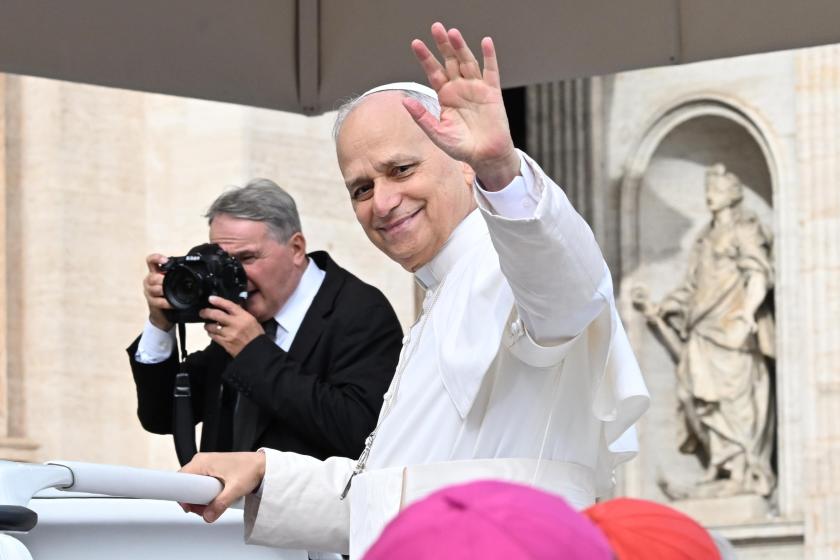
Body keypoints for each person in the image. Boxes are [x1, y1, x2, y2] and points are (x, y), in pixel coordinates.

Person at [181, 23, 649, 558]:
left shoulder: (507, 265)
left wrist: (501, 171)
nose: (381, 203)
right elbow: (393, 500)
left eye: (401, 169)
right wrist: (264, 470)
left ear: (461, 160)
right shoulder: (442, 292)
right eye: (361, 188)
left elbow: (565, 291)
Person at [127, 179, 403, 460]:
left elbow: (360, 434)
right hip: (222, 503)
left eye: (246, 258)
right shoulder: (242, 312)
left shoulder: (359, 310)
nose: (235, 275)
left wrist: (253, 352)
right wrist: (160, 323)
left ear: (296, 248)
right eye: (225, 262)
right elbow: (161, 416)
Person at [645, 164, 776, 498]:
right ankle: (719, 465)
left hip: (731, 329)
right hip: (702, 329)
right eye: (708, 187)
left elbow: (759, 272)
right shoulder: (704, 237)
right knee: (694, 396)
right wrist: (665, 306)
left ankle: (742, 469)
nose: (709, 193)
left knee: (733, 400)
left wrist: (747, 310)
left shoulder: (744, 230)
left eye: (716, 188)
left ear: (732, 194)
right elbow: (693, 287)